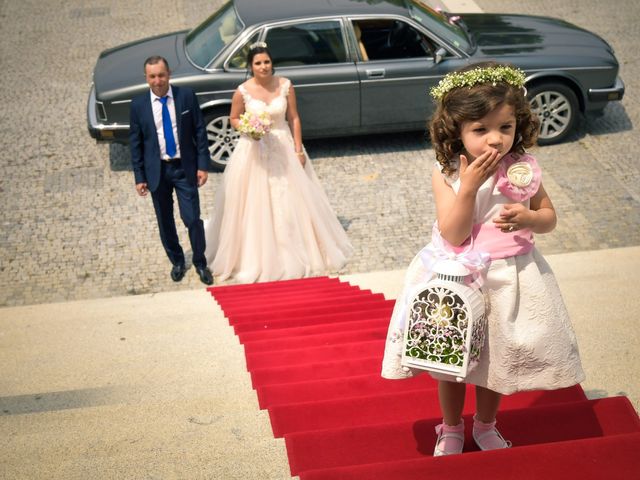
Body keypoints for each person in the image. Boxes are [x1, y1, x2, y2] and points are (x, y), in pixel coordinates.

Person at [381, 62, 585, 456]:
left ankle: (486, 424)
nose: (495, 140)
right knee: (453, 360)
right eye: (480, 130)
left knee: (495, 360)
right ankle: (452, 427)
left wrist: (529, 217)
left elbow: (549, 219)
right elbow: (453, 232)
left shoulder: (523, 169)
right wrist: (469, 188)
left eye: (505, 128)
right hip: (458, 279)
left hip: (511, 277)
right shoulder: (447, 173)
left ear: (518, 125)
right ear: (455, 130)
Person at [204, 43, 353, 283]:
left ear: (272, 63)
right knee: (254, 202)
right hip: (254, 150)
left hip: (283, 146)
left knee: (292, 199)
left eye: (266, 62)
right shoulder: (242, 91)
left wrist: (298, 148)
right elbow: (233, 118)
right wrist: (248, 128)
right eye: (258, 63)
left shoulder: (285, 85)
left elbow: (293, 117)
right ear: (251, 67)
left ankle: (297, 247)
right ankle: (257, 254)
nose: (263, 67)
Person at [129, 55, 213, 285]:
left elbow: (199, 132)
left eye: (161, 75)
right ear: (146, 78)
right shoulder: (138, 105)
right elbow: (136, 143)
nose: (158, 81)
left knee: (192, 218)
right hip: (157, 173)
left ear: (169, 74)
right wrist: (139, 177)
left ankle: (200, 262)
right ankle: (177, 261)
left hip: (185, 169)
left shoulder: (186, 96)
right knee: (165, 221)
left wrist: (203, 165)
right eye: (153, 76)